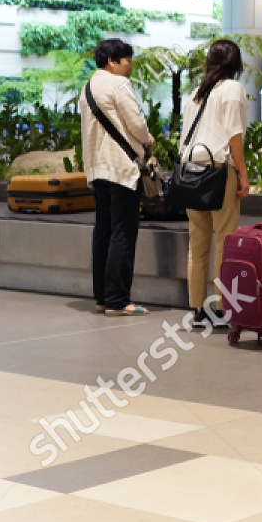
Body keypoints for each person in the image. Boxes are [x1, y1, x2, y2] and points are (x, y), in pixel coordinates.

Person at [80, 38, 156, 317]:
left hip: (97, 169)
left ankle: (102, 297)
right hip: (121, 169)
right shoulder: (119, 84)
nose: (130, 67)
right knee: (123, 232)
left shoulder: (87, 87)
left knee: (103, 231)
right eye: (127, 61)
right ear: (112, 61)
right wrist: (147, 140)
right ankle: (118, 300)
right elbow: (136, 123)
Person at [182, 39, 252, 328]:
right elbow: (234, 135)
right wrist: (244, 174)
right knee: (225, 239)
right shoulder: (232, 89)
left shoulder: (195, 94)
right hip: (218, 168)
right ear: (236, 64)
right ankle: (222, 309)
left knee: (197, 242)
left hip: (190, 169)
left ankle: (197, 308)